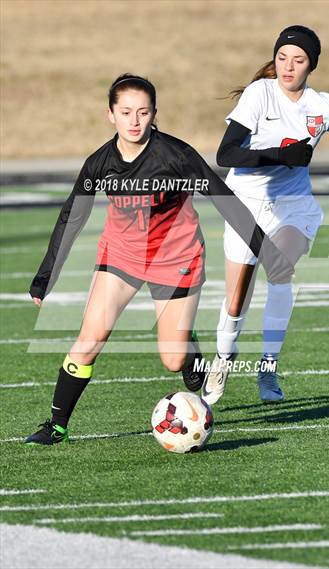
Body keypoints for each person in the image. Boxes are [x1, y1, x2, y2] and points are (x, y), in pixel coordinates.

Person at [25, 73, 292, 445]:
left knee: (172, 359)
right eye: (126, 112)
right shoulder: (99, 163)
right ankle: (56, 425)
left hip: (176, 257)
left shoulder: (176, 156)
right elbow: (73, 215)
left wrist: (269, 254)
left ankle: (188, 345)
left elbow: (225, 200)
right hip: (121, 256)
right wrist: (45, 276)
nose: (135, 121)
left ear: (154, 114)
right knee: (90, 338)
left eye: (143, 112)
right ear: (111, 115)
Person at [201, 25, 329, 406]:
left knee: (281, 270)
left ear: (311, 65)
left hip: (294, 206)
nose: (288, 66)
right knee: (236, 300)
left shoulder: (323, 105)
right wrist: (279, 156)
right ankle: (223, 360)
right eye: (282, 57)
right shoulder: (259, 94)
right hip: (245, 204)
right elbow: (226, 154)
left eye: (298, 60)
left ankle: (268, 366)